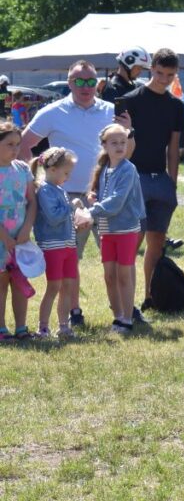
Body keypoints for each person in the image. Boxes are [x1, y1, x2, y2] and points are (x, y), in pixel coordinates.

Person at [19, 60, 133, 327]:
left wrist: (129, 130)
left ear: (98, 83)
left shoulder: (111, 112)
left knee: (117, 260)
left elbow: (127, 151)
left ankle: (123, 312)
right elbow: (25, 144)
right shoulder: (52, 111)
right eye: (79, 81)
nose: (85, 86)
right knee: (71, 257)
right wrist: (33, 180)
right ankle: (74, 312)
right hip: (66, 197)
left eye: (90, 81)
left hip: (104, 196)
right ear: (69, 82)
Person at [120, 48, 184, 313]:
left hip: (161, 180)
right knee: (132, 244)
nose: (163, 79)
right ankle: (127, 303)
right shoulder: (128, 100)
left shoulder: (176, 105)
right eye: (159, 73)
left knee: (156, 244)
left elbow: (174, 147)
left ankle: (150, 296)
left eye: (169, 75)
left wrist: (171, 181)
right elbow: (117, 143)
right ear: (151, 69)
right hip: (134, 178)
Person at [86, 124, 145, 334]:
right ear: (104, 145)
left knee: (123, 275)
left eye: (123, 142)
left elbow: (117, 201)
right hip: (106, 230)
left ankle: (127, 319)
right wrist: (94, 197)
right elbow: (105, 197)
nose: (120, 146)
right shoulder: (104, 168)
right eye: (114, 142)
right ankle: (118, 317)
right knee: (109, 276)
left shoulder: (128, 169)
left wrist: (91, 212)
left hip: (126, 229)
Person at [31, 147, 82, 339]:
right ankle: (43, 327)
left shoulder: (60, 189)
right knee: (54, 286)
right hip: (53, 246)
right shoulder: (45, 190)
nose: (68, 177)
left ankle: (63, 326)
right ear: (52, 169)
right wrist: (71, 207)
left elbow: (64, 217)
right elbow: (53, 217)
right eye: (66, 172)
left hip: (68, 244)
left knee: (67, 285)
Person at [0, 122, 37, 341]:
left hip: (21, 238)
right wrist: (4, 236)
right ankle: (1, 328)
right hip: (2, 238)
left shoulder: (23, 169)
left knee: (19, 282)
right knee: (2, 282)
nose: (15, 149)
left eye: (18, 144)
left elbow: (32, 201)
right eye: (9, 144)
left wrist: (27, 228)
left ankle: (21, 328)